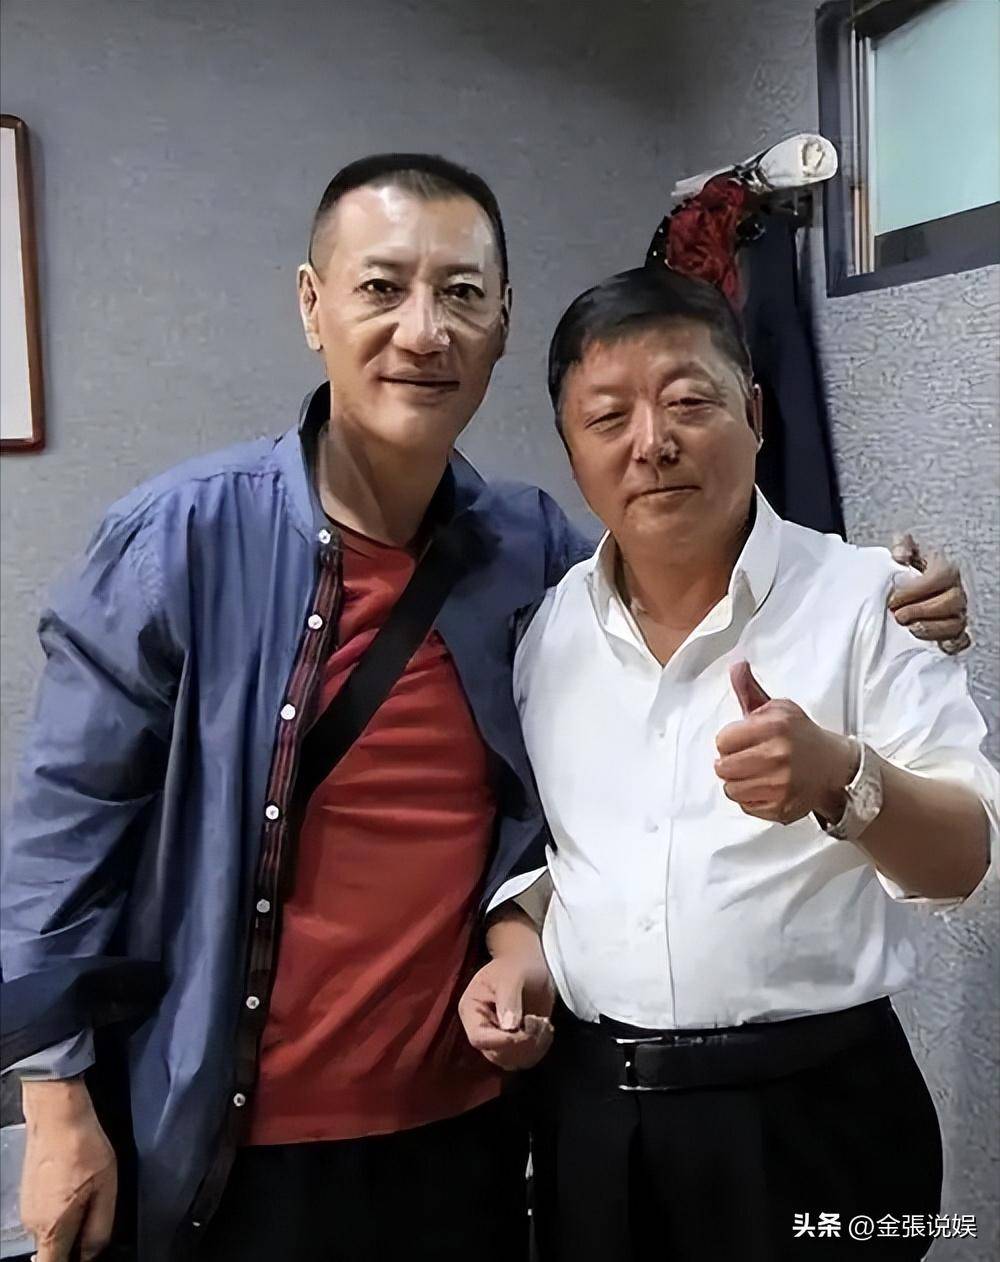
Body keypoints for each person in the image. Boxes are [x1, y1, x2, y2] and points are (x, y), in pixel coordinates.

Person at [0, 157, 968, 1262]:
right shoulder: (183, 539)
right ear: (312, 305)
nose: (423, 331)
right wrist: (56, 1107)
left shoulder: (530, 554)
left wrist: (893, 593)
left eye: (461, 293)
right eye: (381, 287)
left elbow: (661, 618)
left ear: (501, 322)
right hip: (231, 1138)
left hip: (472, 1130)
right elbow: (64, 830)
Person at [459, 266, 996, 1261]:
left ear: (752, 413)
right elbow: (559, 854)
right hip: (594, 1118)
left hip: (812, 1115)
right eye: (607, 416)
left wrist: (841, 779)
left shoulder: (872, 602)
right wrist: (516, 946)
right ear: (571, 450)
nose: (651, 442)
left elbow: (964, 859)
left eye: (688, 402)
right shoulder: (543, 633)